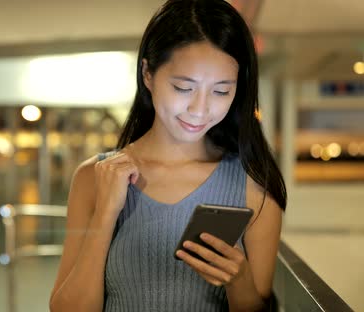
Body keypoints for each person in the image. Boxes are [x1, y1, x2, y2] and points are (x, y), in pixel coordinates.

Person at [49, 0, 287, 311]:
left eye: (221, 91)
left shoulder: (255, 187)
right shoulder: (94, 177)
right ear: (148, 73)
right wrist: (105, 214)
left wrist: (238, 281)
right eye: (183, 88)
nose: (200, 109)